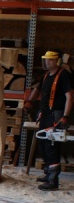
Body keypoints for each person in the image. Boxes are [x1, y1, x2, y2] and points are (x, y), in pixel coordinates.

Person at [24, 49, 74, 191]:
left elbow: (70, 96)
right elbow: (37, 90)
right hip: (45, 114)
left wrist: (65, 116)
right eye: (46, 59)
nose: (47, 62)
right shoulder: (46, 75)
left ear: (58, 61)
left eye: (50, 59)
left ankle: (53, 180)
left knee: (52, 146)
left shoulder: (64, 75)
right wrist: (30, 102)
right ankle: (48, 174)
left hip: (56, 115)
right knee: (43, 146)